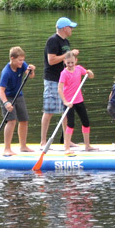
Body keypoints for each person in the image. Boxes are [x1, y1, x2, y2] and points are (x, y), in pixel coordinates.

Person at [42, 16, 76, 147]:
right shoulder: (52, 41)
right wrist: (69, 54)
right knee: (49, 110)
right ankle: (43, 141)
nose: (72, 29)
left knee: (66, 110)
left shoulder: (66, 41)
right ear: (64, 28)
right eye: (70, 27)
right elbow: (51, 60)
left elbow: (68, 61)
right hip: (52, 79)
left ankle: (67, 140)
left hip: (65, 80)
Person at [0, 47, 36, 156]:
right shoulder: (6, 72)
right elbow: (1, 90)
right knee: (12, 120)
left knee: (24, 120)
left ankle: (23, 146)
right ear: (12, 59)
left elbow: (31, 76)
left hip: (18, 94)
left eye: (23, 60)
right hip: (6, 96)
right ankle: (7, 149)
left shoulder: (21, 64)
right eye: (20, 60)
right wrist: (6, 103)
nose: (22, 62)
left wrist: (31, 70)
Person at [58, 49, 96, 151]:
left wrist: (90, 72)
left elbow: (90, 76)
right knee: (70, 124)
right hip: (69, 102)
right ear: (64, 62)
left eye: (72, 62)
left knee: (86, 122)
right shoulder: (64, 73)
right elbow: (59, 88)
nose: (70, 65)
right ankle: (67, 148)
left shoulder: (79, 69)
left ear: (76, 61)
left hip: (79, 100)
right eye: (68, 63)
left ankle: (87, 145)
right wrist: (65, 101)